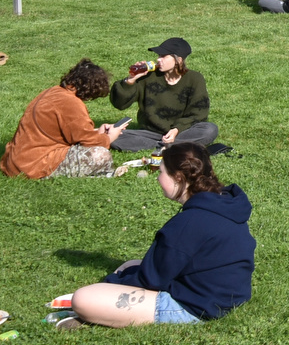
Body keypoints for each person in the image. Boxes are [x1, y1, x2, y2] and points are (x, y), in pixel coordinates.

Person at [58, 143, 253, 328]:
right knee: (129, 265)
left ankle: (98, 315)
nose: (158, 179)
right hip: (229, 294)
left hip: (199, 305)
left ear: (178, 178)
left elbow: (150, 280)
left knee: (84, 299)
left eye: (161, 172)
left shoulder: (188, 223)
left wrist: (112, 283)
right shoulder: (224, 203)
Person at [3, 58, 126, 178]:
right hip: (33, 164)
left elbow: (71, 132)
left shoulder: (52, 92)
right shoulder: (70, 102)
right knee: (100, 155)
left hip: (16, 161)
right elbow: (88, 142)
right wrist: (109, 137)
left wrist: (96, 132)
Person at [109, 38, 217, 153]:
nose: (158, 59)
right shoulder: (148, 77)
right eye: (159, 55)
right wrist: (130, 80)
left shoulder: (195, 79)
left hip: (181, 131)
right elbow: (120, 104)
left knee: (210, 129)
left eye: (163, 56)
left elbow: (199, 113)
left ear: (178, 60)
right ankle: (168, 146)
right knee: (113, 136)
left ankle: (164, 145)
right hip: (151, 133)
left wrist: (177, 129)